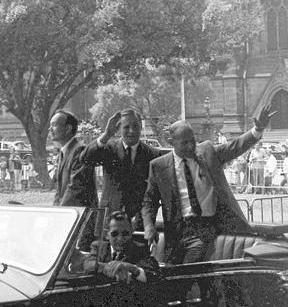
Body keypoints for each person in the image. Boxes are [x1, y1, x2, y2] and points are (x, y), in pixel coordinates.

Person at [142, 105, 277, 264]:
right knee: (172, 274)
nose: (191, 146)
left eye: (192, 140)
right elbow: (149, 201)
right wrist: (149, 226)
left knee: (191, 266)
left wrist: (257, 129)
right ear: (171, 142)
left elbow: (234, 147)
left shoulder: (206, 151)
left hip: (204, 228)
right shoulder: (159, 166)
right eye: (184, 143)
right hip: (175, 233)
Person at [82, 109, 165, 227]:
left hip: (140, 222)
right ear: (119, 129)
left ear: (141, 127)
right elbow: (85, 159)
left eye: (135, 126)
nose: (131, 131)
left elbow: (156, 193)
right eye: (126, 127)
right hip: (109, 219)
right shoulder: (108, 149)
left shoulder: (153, 154)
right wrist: (106, 135)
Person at [74, 211, 159, 283]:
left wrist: (131, 268)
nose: (120, 238)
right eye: (114, 234)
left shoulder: (141, 249)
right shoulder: (98, 247)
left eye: (125, 233)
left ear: (132, 232)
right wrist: (109, 267)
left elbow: (153, 273)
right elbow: (88, 264)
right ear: (107, 235)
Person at [50, 110, 97, 207]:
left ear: (68, 128)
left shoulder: (80, 151)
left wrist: (61, 211)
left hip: (81, 215)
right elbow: (60, 191)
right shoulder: (63, 152)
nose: (50, 129)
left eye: (54, 125)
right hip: (69, 213)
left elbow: (75, 188)